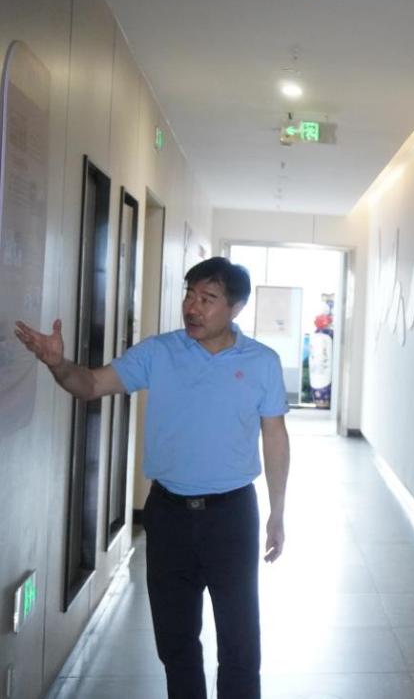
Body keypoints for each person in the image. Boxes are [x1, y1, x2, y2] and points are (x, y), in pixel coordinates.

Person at [15, 256, 290, 699]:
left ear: (235, 308)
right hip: (169, 513)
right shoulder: (158, 352)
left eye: (207, 298)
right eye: (189, 294)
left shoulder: (262, 362)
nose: (192, 307)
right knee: (176, 642)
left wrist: (278, 512)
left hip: (232, 515)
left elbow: (275, 437)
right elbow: (90, 385)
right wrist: (57, 363)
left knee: (240, 642)